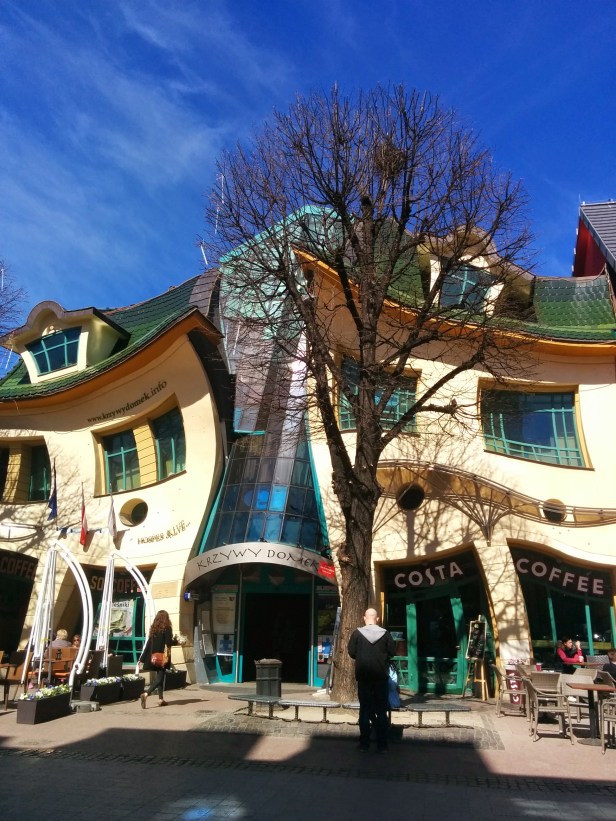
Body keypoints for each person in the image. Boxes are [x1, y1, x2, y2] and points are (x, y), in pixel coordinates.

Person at [347, 607, 395, 752]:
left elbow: (351, 652)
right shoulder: (385, 634)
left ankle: (364, 744)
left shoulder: (357, 633)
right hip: (380, 677)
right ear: (377, 619)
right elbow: (392, 652)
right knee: (381, 711)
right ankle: (382, 745)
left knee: (365, 710)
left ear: (364, 618)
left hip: (363, 677)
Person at [139, 610, 177, 709]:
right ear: (166, 618)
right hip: (162, 657)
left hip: (153, 657)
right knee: (160, 678)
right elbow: (168, 642)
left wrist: (142, 658)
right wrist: (177, 642)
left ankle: (161, 699)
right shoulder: (167, 628)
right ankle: (146, 694)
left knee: (160, 676)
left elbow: (148, 644)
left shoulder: (154, 629)